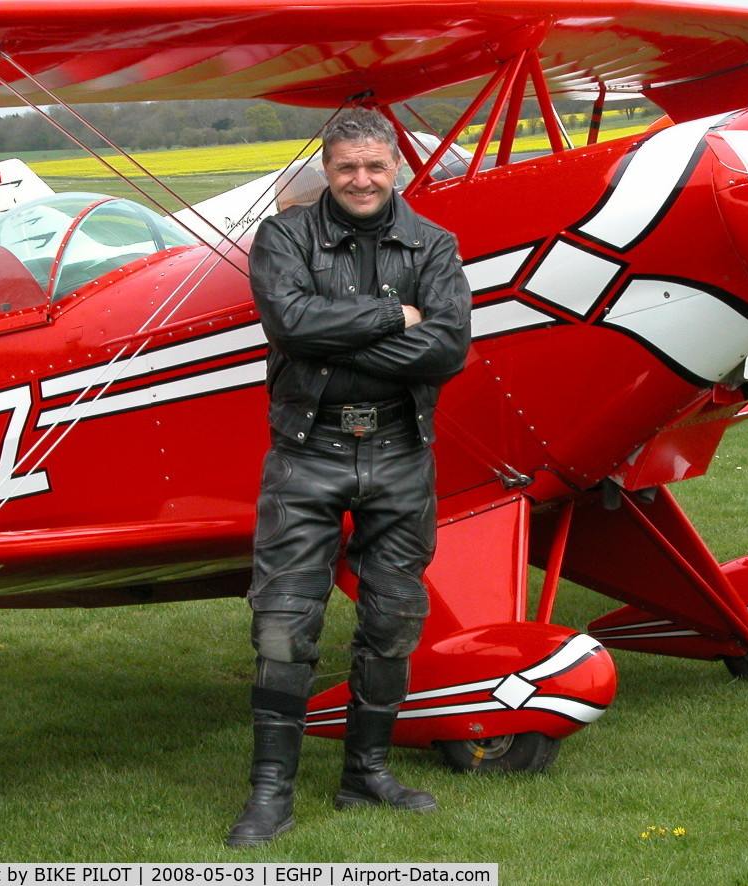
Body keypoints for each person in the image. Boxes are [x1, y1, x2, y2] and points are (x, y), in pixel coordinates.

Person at [226, 107, 472, 848]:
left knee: (393, 620)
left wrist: (342, 337)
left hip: (400, 452)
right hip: (309, 451)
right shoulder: (284, 236)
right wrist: (397, 318)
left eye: (374, 167)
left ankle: (367, 774)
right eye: (346, 168)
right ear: (327, 170)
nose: (361, 181)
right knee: (282, 625)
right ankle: (271, 793)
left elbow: (449, 347)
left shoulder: (434, 243)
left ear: (394, 166)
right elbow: (290, 326)